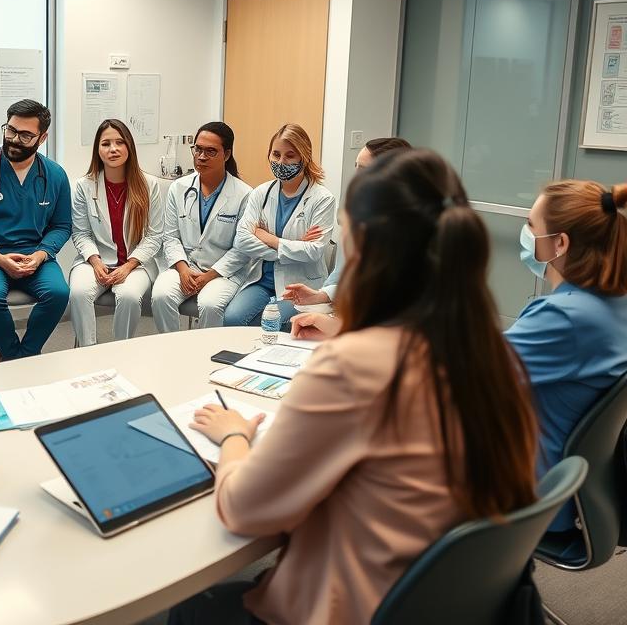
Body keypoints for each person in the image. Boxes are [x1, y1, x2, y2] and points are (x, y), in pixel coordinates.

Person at [170, 148, 539, 625]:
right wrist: (345, 331)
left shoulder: (352, 368)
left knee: (189, 612)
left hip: (350, 605)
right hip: (440, 599)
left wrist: (236, 435)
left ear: (362, 244)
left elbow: (244, 510)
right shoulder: (493, 354)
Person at [506, 179, 627, 535]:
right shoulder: (613, 302)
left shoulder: (564, 317)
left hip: (532, 494)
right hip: (575, 482)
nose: (526, 232)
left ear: (560, 243)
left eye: (531, 224)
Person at [0, 99, 72, 361]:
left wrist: (41, 254)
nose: (15, 140)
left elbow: (62, 226)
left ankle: (23, 354)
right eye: (11, 130)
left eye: (26, 135)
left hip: (34, 255)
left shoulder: (55, 175)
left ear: (42, 138)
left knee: (59, 294)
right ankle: (13, 354)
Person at [223, 123, 336, 329]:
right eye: (276, 155)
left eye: (290, 156)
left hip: (301, 285)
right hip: (262, 279)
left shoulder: (322, 198)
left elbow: (314, 252)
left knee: (270, 322)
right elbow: (242, 240)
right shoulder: (261, 193)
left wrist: (267, 237)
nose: (281, 162)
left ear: (304, 157)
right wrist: (290, 247)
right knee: (233, 318)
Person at [283, 136, 412, 312]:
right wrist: (319, 296)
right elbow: (341, 276)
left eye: (365, 169)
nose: (357, 177)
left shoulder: (414, 228)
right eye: (356, 167)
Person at [151, 122, 253, 332]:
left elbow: (242, 249)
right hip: (186, 266)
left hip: (224, 272)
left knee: (210, 304)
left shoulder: (245, 195)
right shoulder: (178, 188)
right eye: (197, 149)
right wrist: (182, 269)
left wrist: (210, 275)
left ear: (226, 155)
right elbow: (170, 236)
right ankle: (169, 350)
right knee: (161, 295)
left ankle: (206, 355)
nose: (201, 156)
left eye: (210, 151)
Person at [68, 119, 162, 346]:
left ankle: (121, 350)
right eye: (106, 143)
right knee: (79, 294)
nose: (113, 149)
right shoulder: (85, 185)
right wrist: (96, 262)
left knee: (128, 297)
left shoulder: (149, 185)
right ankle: (88, 352)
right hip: (93, 261)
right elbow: (80, 233)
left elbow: (154, 235)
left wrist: (129, 265)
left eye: (120, 142)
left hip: (136, 264)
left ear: (129, 146)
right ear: (97, 150)